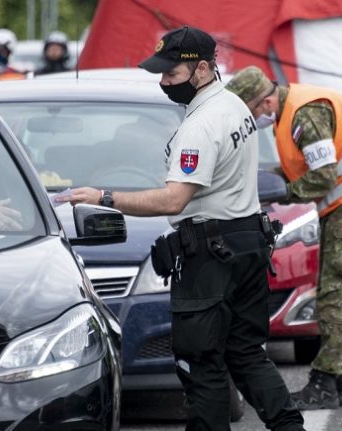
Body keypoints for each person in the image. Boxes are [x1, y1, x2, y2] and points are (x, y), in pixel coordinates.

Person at [57, 25, 305, 431]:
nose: (163, 82)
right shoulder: (234, 107)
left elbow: (174, 200)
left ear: (203, 70)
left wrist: (104, 196)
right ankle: (290, 427)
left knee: (200, 363)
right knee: (245, 354)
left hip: (211, 257)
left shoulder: (200, 126)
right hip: (245, 243)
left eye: (171, 74)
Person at [225, 66, 342, 410]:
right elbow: (302, 167)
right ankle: (337, 381)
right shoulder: (289, 113)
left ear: (265, 99)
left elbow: (321, 177)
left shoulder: (305, 113)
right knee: (334, 294)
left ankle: (325, 383)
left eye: (252, 112)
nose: (254, 120)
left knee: (336, 295)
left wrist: (280, 192)